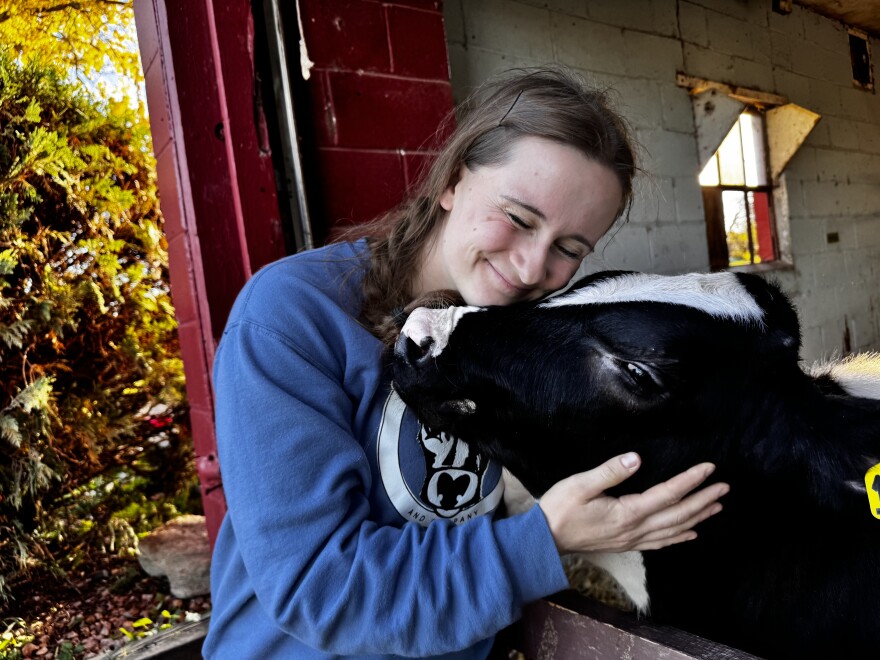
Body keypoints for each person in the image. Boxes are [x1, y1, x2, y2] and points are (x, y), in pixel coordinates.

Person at [202, 67, 729, 659]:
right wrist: (546, 541)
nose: (533, 268)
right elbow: (321, 589)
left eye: (568, 249)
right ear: (452, 182)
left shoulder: (511, 326)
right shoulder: (292, 317)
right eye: (519, 219)